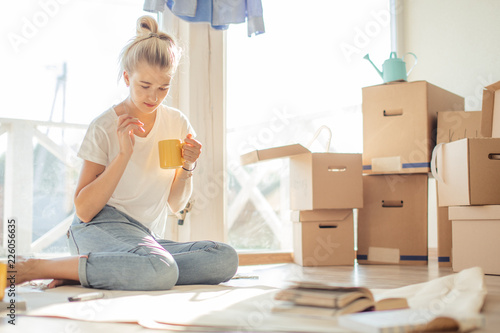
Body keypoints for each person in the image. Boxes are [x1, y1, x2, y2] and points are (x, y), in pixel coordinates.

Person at [15, 16, 238, 290]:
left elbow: (176, 204)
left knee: (223, 259)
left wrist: (188, 167)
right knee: (161, 268)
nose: (153, 97)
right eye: (145, 86)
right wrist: (123, 155)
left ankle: (96, 269)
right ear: (126, 77)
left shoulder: (177, 123)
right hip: (98, 227)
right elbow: (84, 211)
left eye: (163, 88)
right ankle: (35, 266)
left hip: (144, 237)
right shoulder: (104, 126)